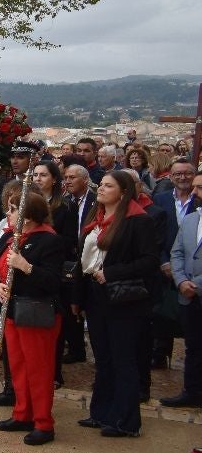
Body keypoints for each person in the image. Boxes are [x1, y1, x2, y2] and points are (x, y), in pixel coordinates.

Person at [77, 170, 161, 437]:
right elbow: (83, 261)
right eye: (100, 184)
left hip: (123, 299)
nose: (100, 189)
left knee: (123, 358)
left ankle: (125, 420)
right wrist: (78, 299)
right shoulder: (96, 218)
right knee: (103, 358)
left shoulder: (138, 221)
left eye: (108, 186)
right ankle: (101, 412)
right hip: (96, 296)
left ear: (123, 193)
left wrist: (112, 273)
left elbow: (149, 261)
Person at [0, 191, 65, 444]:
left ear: (27, 216)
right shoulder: (9, 237)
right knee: (18, 365)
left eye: (12, 209)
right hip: (11, 310)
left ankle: (43, 422)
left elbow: (53, 281)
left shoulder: (49, 241)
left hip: (36, 313)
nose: (7, 214)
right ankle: (22, 414)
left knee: (38, 369)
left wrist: (26, 267)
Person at [32, 160, 85, 374]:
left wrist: (45, 243)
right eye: (35, 175)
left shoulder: (64, 206)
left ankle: (53, 371)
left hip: (53, 267)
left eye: (43, 175)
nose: (38, 179)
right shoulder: (28, 202)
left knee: (53, 321)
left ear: (54, 179)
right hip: (30, 266)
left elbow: (70, 239)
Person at [163, 172, 202, 408]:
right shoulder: (191, 219)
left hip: (195, 288)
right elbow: (177, 252)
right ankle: (192, 391)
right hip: (187, 293)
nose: (195, 193)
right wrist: (180, 281)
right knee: (193, 346)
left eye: (200, 188)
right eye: (195, 187)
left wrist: (195, 284)